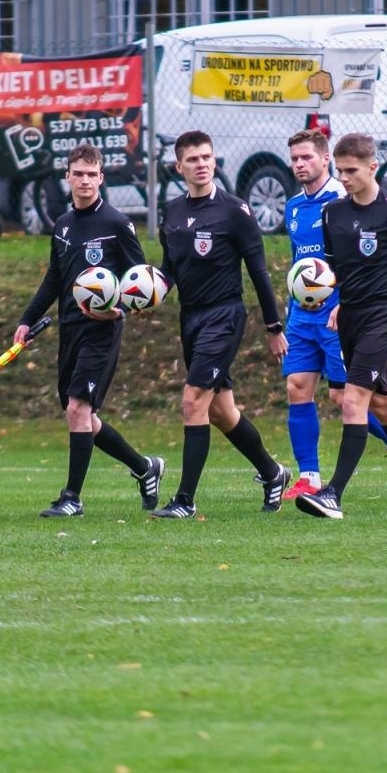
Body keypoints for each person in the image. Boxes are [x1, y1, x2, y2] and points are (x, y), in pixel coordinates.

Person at [295, 133, 387, 519]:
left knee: (353, 400)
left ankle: (332, 494)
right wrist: (329, 299)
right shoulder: (333, 214)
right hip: (349, 319)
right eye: (340, 171)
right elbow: (334, 270)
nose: (344, 178)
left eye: (351, 171)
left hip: (383, 318)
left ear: (372, 167)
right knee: (385, 404)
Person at [16, 144, 165, 517]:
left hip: (102, 331)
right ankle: (145, 468)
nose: (84, 180)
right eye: (78, 174)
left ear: (101, 178)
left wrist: (118, 310)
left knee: (78, 409)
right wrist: (27, 319)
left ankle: (72, 498)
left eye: (91, 174)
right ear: (67, 177)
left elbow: (141, 282)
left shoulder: (116, 224)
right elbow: (54, 278)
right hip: (70, 329)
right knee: (82, 415)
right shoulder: (63, 224)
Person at [151, 130, 289, 519]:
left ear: (214, 161)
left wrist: (274, 327)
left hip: (224, 315)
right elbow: (168, 270)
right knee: (221, 411)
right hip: (190, 318)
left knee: (193, 400)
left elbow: (259, 272)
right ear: (179, 166)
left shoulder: (235, 211)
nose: (201, 164)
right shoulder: (172, 212)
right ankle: (273, 473)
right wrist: (146, 296)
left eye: (206, 157)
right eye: (192, 159)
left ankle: (184, 500)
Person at [280, 130, 387, 503]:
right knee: (297, 387)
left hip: (339, 312)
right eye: (295, 159)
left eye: (307, 157)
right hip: (302, 313)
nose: (300, 164)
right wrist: (295, 299)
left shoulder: (344, 199)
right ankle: (309, 477)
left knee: (343, 397)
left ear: (325, 160)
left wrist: (343, 300)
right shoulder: (293, 206)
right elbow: (300, 263)